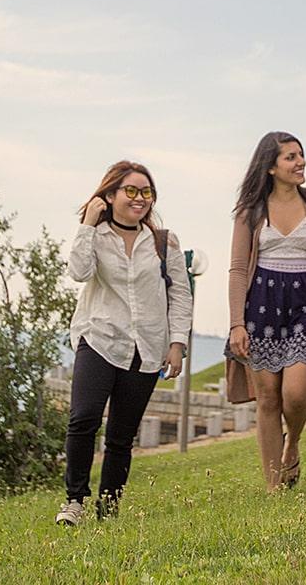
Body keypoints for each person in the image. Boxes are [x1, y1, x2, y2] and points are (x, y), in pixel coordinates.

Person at [59, 160, 192, 525]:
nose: (140, 199)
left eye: (146, 192)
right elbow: (79, 272)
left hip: (147, 346)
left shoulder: (165, 242)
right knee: (83, 419)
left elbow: (180, 294)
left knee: (121, 436)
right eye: (131, 191)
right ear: (110, 194)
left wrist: (177, 343)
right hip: (100, 338)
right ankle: (75, 501)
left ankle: (109, 508)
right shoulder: (95, 236)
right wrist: (88, 222)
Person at [224, 131, 306, 492]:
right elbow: (238, 269)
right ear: (271, 167)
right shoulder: (250, 210)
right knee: (269, 398)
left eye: (301, 155)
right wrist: (236, 324)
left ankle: (293, 443)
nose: (300, 162)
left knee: (295, 393)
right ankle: (274, 486)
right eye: (290, 157)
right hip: (261, 306)